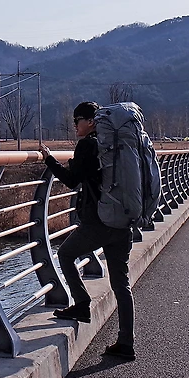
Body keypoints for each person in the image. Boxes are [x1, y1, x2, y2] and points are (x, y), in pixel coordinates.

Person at [39, 101, 136, 361]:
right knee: (121, 283)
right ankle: (126, 342)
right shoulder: (114, 145)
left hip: (99, 222)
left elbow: (72, 180)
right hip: (123, 220)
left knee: (65, 254)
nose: (75, 126)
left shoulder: (88, 145)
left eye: (77, 120)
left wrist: (49, 160)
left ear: (90, 121)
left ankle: (81, 304)